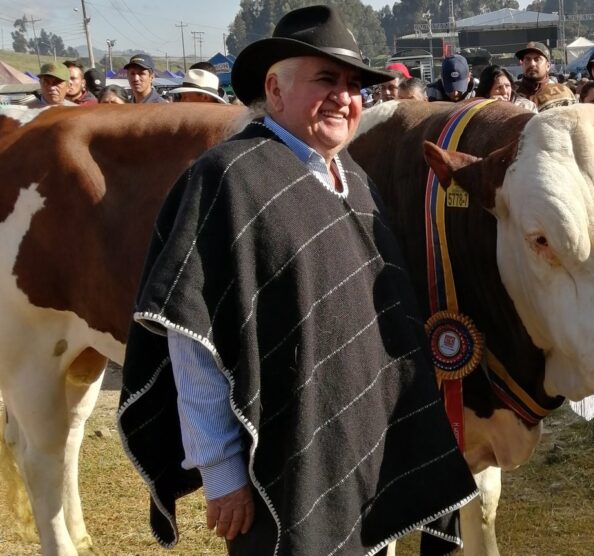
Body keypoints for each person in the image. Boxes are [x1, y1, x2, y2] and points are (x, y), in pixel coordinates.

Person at [117, 5, 478, 555]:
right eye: (326, 79)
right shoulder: (229, 178)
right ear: (275, 89)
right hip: (285, 464)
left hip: (363, 451)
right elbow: (195, 340)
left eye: (355, 84)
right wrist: (222, 472)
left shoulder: (353, 179)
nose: (344, 96)